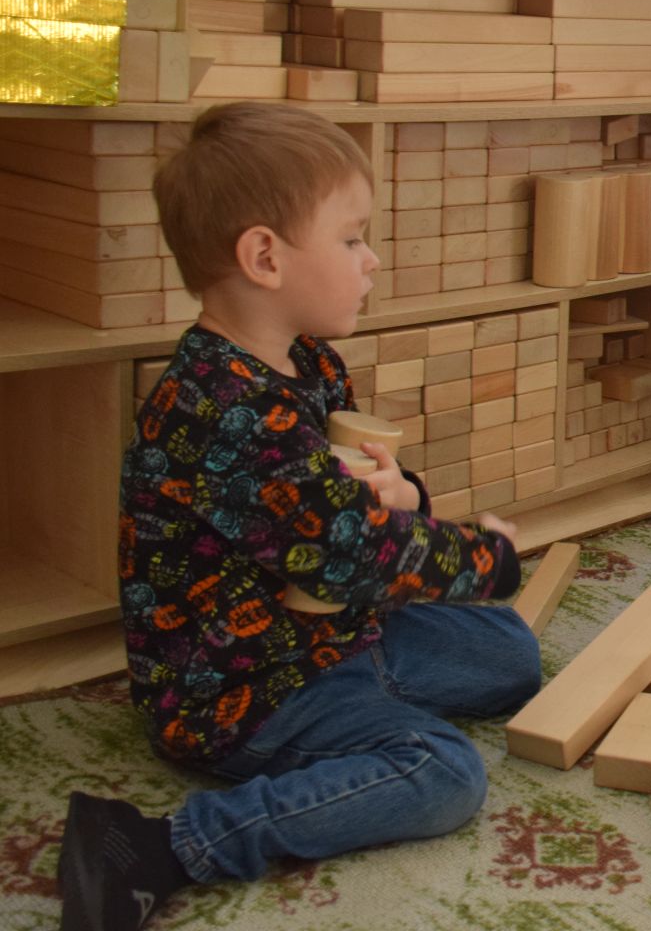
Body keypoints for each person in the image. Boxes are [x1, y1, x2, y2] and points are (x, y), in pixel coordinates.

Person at [59, 105, 536, 931]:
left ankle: (368, 694)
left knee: (512, 656)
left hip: (324, 629)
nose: (372, 260)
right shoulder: (224, 409)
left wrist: (406, 491)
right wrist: (485, 558)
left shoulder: (307, 360)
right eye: (352, 240)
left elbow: (342, 502)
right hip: (238, 687)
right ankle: (165, 843)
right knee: (443, 771)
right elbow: (352, 554)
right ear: (265, 257)